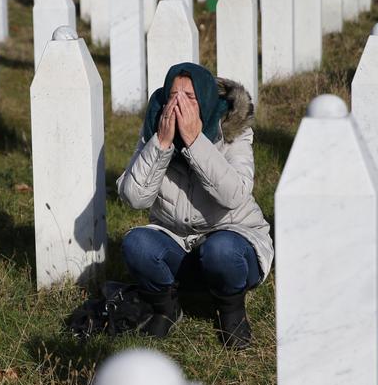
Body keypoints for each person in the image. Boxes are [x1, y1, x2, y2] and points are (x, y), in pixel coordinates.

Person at [115, 63, 273, 349]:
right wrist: (161, 143)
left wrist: (194, 142)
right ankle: (166, 307)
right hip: (178, 243)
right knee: (136, 244)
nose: (179, 103)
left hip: (233, 242)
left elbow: (235, 195)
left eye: (190, 97)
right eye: (173, 95)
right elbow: (133, 198)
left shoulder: (233, 132)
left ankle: (231, 310)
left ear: (206, 101)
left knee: (221, 250)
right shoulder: (155, 128)